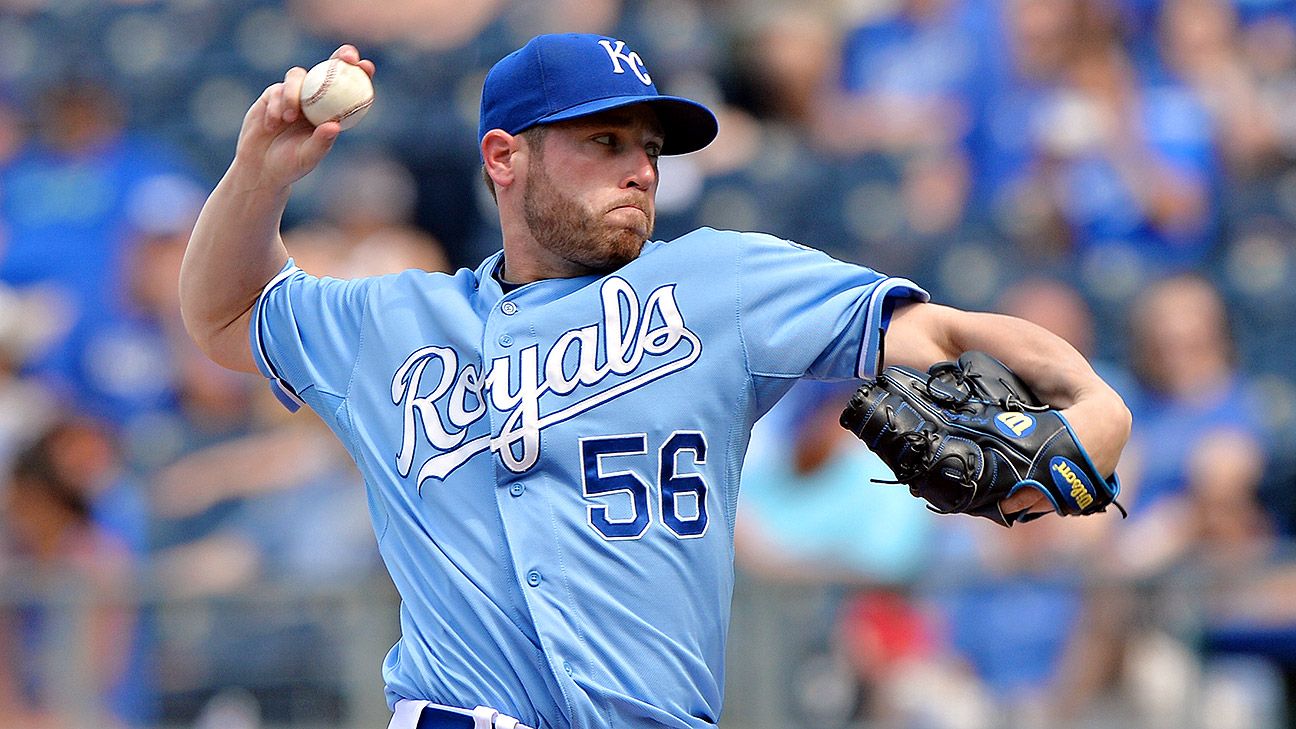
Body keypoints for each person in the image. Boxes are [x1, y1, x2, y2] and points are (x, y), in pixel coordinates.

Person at [178, 34, 1131, 729]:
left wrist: (1097, 403)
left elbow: (942, 329)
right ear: (504, 157)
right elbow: (222, 314)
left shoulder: (720, 283)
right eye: (603, 141)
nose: (640, 168)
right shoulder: (393, 325)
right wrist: (259, 172)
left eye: (650, 147)